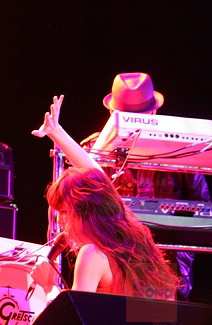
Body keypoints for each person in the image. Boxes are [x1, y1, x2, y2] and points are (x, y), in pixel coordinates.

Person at [33, 95, 178, 299]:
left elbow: (76, 317)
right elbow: (99, 180)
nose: (60, 221)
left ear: (87, 213)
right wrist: (57, 132)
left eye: (65, 212)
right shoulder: (138, 248)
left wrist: (47, 287)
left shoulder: (92, 254)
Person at [85, 73, 209, 300]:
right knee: (116, 314)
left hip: (165, 261)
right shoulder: (95, 149)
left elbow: (201, 214)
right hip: (111, 260)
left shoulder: (183, 149)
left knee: (151, 317)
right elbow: (77, 210)